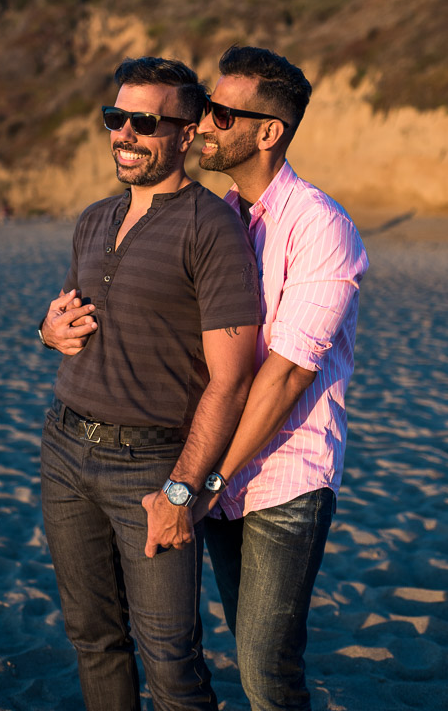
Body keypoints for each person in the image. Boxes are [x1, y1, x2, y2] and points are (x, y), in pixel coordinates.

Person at [37, 56, 261, 711]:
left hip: (150, 468)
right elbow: (68, 322)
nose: (124, 134)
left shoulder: (211, 230)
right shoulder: (93, 220)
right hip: (64, 450)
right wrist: (44, 333)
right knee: (92, 638)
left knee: (171, 661)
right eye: (115, 118)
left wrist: (181, 491)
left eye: (143, 122)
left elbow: (231, 381)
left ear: (185, 134)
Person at [194, 45, 369, 711]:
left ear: (268, 132)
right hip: (217, 473)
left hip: (283, 479)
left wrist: (211, 478)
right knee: (245, 648)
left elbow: (289, 374)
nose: (205, 124)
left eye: (220, 112)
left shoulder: (320, 226)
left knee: (268, 668)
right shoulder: (220, 220)